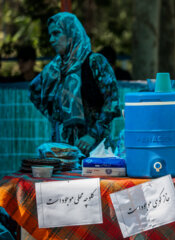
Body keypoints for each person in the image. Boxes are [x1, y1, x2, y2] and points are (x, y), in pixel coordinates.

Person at [29, 12, 121, 155]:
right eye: (50, 35)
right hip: (62, 151)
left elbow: (112, 102)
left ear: (71, 32)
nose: (52, 39)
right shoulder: (53, 70)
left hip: (95, 149)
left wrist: (93, 134)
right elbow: (34, 92)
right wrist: (56, 119)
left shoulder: (95, 62)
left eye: (56, 33)